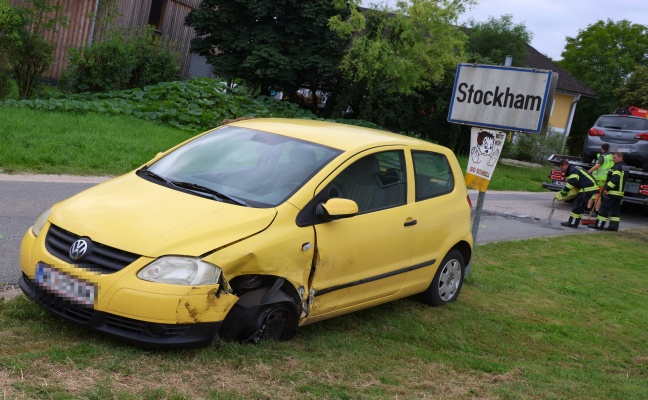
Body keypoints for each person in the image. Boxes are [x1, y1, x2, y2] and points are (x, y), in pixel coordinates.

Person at [589, 152, 629, 231]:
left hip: (612, 192)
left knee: (604, 209)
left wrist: (607, 189)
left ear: (620, 158)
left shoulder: (618, 167)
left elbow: (615, 179)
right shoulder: (625, 167)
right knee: (615, 210)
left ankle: (599, 225)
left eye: (614, 158)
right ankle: (613, 227)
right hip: (620, 193)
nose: (613, 160)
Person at [556, 159, 599, 228]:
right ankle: (575, 222)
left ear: (565, 165)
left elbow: (573, 181)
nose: (563, 170)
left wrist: (564, 191)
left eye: (562, 168)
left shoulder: (572, 170)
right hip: (589, 187)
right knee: (580, 206)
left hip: (587, 188)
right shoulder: (574, 168)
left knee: (577, 205)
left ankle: (572, 223)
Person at [586, 144, 614, 216]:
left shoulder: (603, 157)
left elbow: (597, 166)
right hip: (605, 178)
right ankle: (588, 209)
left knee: (597, 196)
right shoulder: (611, 157)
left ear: (602, 148)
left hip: (599, 179)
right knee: (595, 194)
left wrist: (588, 172)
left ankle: (596, 211)